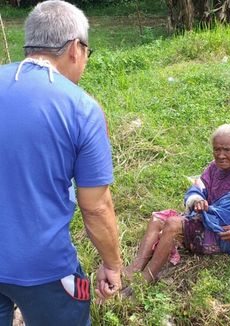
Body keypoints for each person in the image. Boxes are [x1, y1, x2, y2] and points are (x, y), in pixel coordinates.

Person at [0, 1, 122, 325]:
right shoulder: (82, 108)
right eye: (87, 53)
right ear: (74, 49)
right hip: (44, 269)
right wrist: (112, 264)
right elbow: (96, 207)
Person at [124, 124, 230, 283]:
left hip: (224, 234)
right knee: (157, 220)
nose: (221, 155)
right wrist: (198, 201)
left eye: (228, 150)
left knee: (173, 224)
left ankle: (146, 279)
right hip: (208, 221)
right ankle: (135, 268)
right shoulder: (214, 168)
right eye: (217, 149)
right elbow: (197, 189)